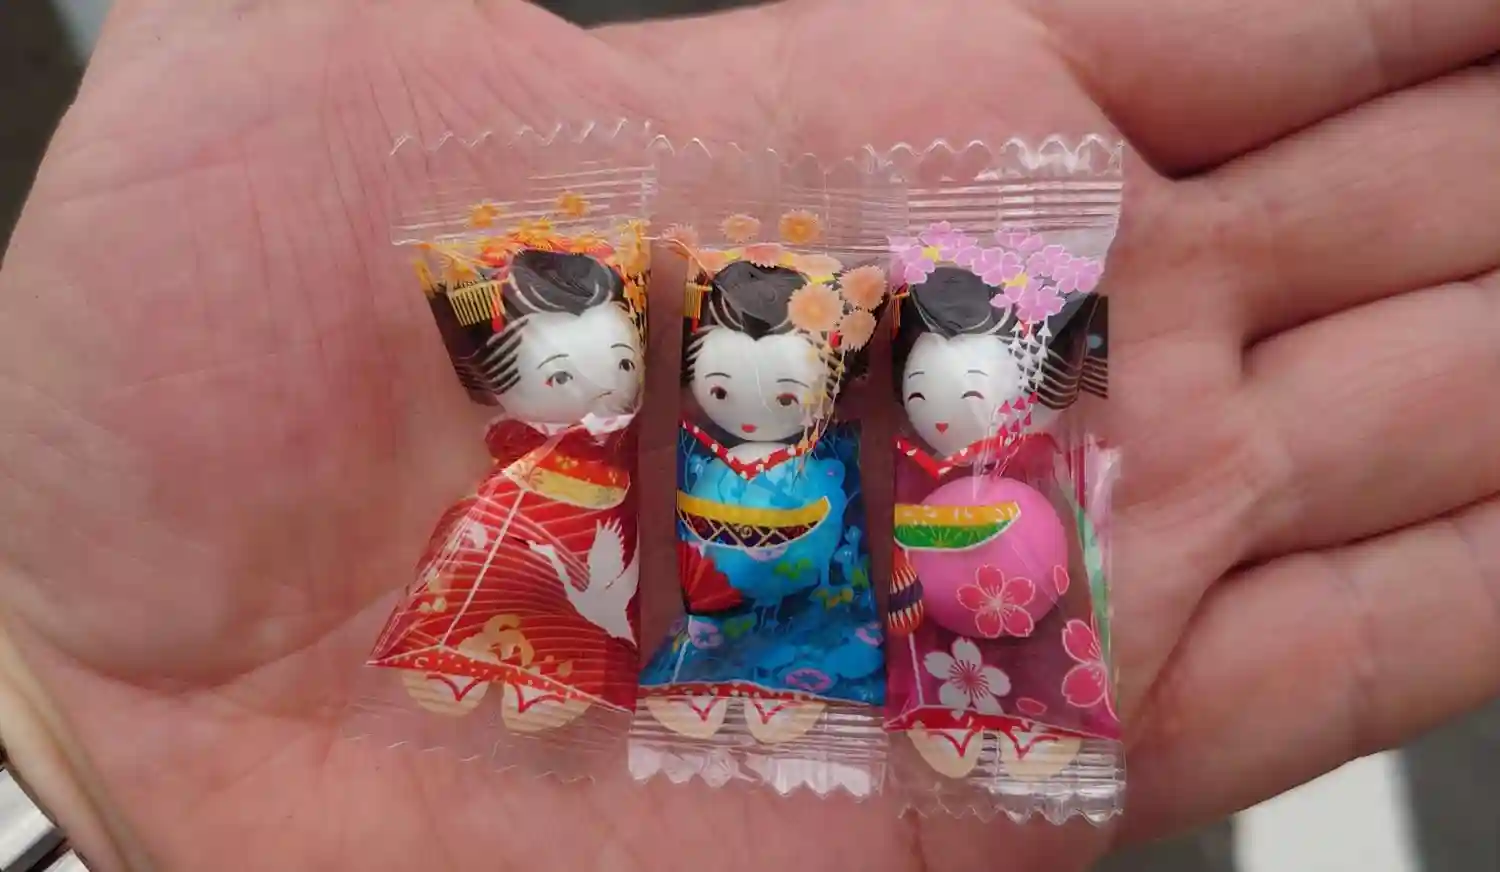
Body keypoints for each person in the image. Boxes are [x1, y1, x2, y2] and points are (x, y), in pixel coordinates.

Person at [0, 0, 1495, 869]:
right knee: (559, 574)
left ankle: (918, 691)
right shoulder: (581, 457)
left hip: (923, 583)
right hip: (650, 565)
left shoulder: (948, 456)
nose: (950, 406)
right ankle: (582, 667)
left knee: (899, 597)